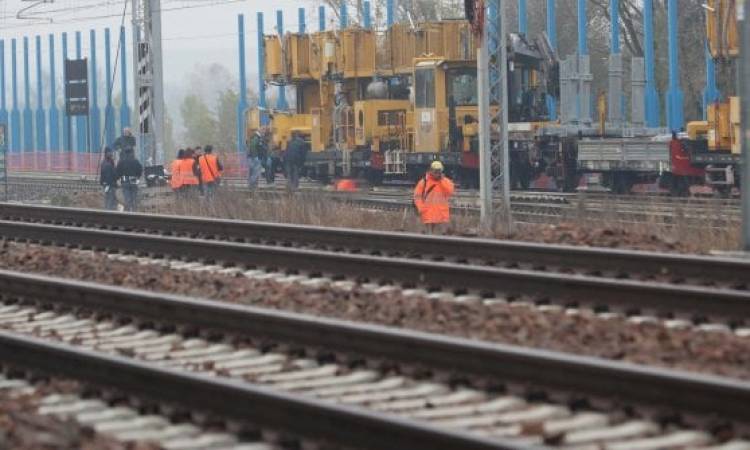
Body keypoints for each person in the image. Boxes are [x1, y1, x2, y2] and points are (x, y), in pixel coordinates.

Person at [413, 160, 455, 234]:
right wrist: (421, 208)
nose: (437, 173)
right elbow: (417, 197)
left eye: (439, 171)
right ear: (430, 170)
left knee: (442, 239)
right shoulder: (424, 182)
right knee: (429, 238)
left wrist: (442, 180)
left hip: (441, 217)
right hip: (428, 216)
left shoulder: (445, 182)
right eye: (435, 171)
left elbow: (450, 191)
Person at [115, 147, 143, 212]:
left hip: (125, 182)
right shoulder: (136, 161)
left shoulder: (121, 161)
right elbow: (140, 170)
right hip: (134, 181)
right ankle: (134, 213)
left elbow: (117, 172)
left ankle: (128, 214)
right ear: (132, 153)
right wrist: (138, 177)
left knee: (127, 199)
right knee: (134, 199)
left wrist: (118, 179)